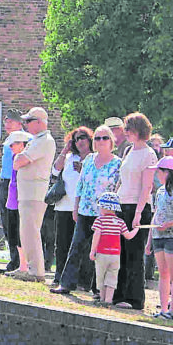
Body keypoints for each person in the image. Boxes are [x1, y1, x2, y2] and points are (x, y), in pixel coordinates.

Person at [50, 124, 121, 296]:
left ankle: (99, 288)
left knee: (101, 251)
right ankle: (66, 283)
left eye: (105, 138)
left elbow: (118, 189)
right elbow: (80, 186)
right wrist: (76, 208)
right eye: (97, 138)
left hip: (104, 214)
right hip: (85, 210)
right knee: (76, 248)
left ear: (111, 141)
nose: (101, 141)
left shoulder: (117, 163)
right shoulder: (88, 159)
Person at [112, 112, 158, 310]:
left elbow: (147, 186)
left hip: (138, 207)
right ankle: (118, 294)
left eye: (129, 129)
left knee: (134, 253)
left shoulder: (149, 154)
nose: (127, 133)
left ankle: (135, 298)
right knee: (120, 252)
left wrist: (139, 212)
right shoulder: (129, 150)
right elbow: (122, 180)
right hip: (122, 204)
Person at [11, 106, 56, 282]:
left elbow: (20, 160)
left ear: (39, 122)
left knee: (31, 231)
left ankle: (36, 271)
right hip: (27, 192)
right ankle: (31, 268)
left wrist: (19, 157)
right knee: (26, 231)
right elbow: (18, 161)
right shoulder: (37, 140)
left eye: (29, 121)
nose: (26, 124)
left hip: (34, 193)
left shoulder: (44, 140)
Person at [150, 157, 173, 320]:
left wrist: (169, 224)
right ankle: (163, 308)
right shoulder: (159, 192)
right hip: (158, 236)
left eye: (159, 171)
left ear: (167, 172)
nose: (157, 175)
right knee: (163, 274)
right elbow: (156, 214)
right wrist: (149, 239)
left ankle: (172, 311)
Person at [52, 128, 92, 279]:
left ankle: (81, 279)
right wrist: (65, 150)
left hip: (84, 208)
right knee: (62, 243)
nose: (80, 141)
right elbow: (55, 171)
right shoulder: (69, 157)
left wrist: (83, 169)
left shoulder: (94, 158)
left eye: (83, 137)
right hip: (64, 206)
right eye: (76, 139)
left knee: (82, 245)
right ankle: (60, 275)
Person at [90, 194, 139, 305]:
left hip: (102, 253)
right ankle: (108, 300)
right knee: (112, 277)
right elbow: (128, 236)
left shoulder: (99, 221)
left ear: (104, 207)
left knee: (101, 276)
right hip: (115, 255)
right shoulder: (120, 222)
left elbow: (96, 235)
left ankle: (102, 299)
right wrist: (136, 229)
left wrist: (93, 251)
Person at [0, 131, 30, 274]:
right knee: (12, 232)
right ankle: (17, 263)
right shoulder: (13, 157)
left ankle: (24, 265)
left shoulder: (25, 158)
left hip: (21, 199)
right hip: (12, 199)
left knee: (20, 233)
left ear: (23, 144)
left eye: (14, 143)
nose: (11, 146)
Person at [0, 109, 23, 272]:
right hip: (4, 181)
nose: (7, 124)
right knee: (6, 223)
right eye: (6, 121)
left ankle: (19, 260)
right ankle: (13, 258)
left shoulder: (24, 140)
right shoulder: (8, 140)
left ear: (19, 124)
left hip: (16, 182)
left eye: (11, 121)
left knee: (15, 223)